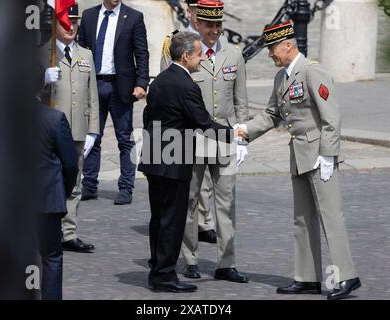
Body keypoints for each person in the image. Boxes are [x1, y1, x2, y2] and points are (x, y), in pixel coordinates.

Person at [237, 21, 361, 300]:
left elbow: (331, 118)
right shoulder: (281, 78)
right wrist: (244, 130)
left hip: (319, 156)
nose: (270, 55)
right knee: (302, 219)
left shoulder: (312, 71)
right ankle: (307, 278)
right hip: (299, 156)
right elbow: (271, 115)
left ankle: (347, 276)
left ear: (288, 45)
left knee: (331, 217)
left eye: (272, 49)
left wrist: (329, 155)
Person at [138, 32, 233, 293]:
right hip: (174, 159)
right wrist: (235, 134)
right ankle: (165, 276)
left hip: (155, 156)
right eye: (198, 54)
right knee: (173, 220)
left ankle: (157, 268)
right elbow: (203, 123)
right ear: (185, 56)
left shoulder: (159, 82)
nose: (201, 59)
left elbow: (148, 117)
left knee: (158, 218)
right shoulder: (186, 85)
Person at [180, 0, 249, 282]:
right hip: (192, 139)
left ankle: (226, 263)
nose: (215, 30)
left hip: (224, 139)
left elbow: (241, 103)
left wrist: (243, 138)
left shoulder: (234, 55)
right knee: (190, 200)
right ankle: (190, 258)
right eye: (209, 25)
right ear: (197, 24)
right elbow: (170, 95)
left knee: (226, 202)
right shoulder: (184, 51)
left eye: (219, 25)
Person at [78, 0, 150, 205]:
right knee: (93, 136)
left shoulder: (134, 17)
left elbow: (141, 53)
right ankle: (89, 185)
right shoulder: (89, 16)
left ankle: (126, 187)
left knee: (125, 139)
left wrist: (141, 83)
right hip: (94, 84)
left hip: (121, 86)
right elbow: (81, 48)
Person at [41, 4, 98, 253]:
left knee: (75, 181)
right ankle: (46, 228)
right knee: (47, 180)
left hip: (77, 128)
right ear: (55, 23)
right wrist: (42, 78)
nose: (71, 26)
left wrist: (93, 130)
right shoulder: (45, 54)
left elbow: (91, 96)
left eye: (74, 22)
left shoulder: (86, 55)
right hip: (48, 130)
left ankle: (69, 232)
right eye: (66, 21)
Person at [160, 0, 217, 246]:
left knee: (207, 183)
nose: (193, 14)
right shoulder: (176, 43)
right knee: (191, 185)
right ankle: (189, 230)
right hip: (188, 129)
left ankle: (205, 222)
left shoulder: (219, 49)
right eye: (192, 9)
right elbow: (167, 83)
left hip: (208, 126)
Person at [35, 97, 79, 300]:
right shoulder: (55, 118)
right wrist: (64, 191)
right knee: (51, 257)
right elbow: (70, 164)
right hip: (47, 201)